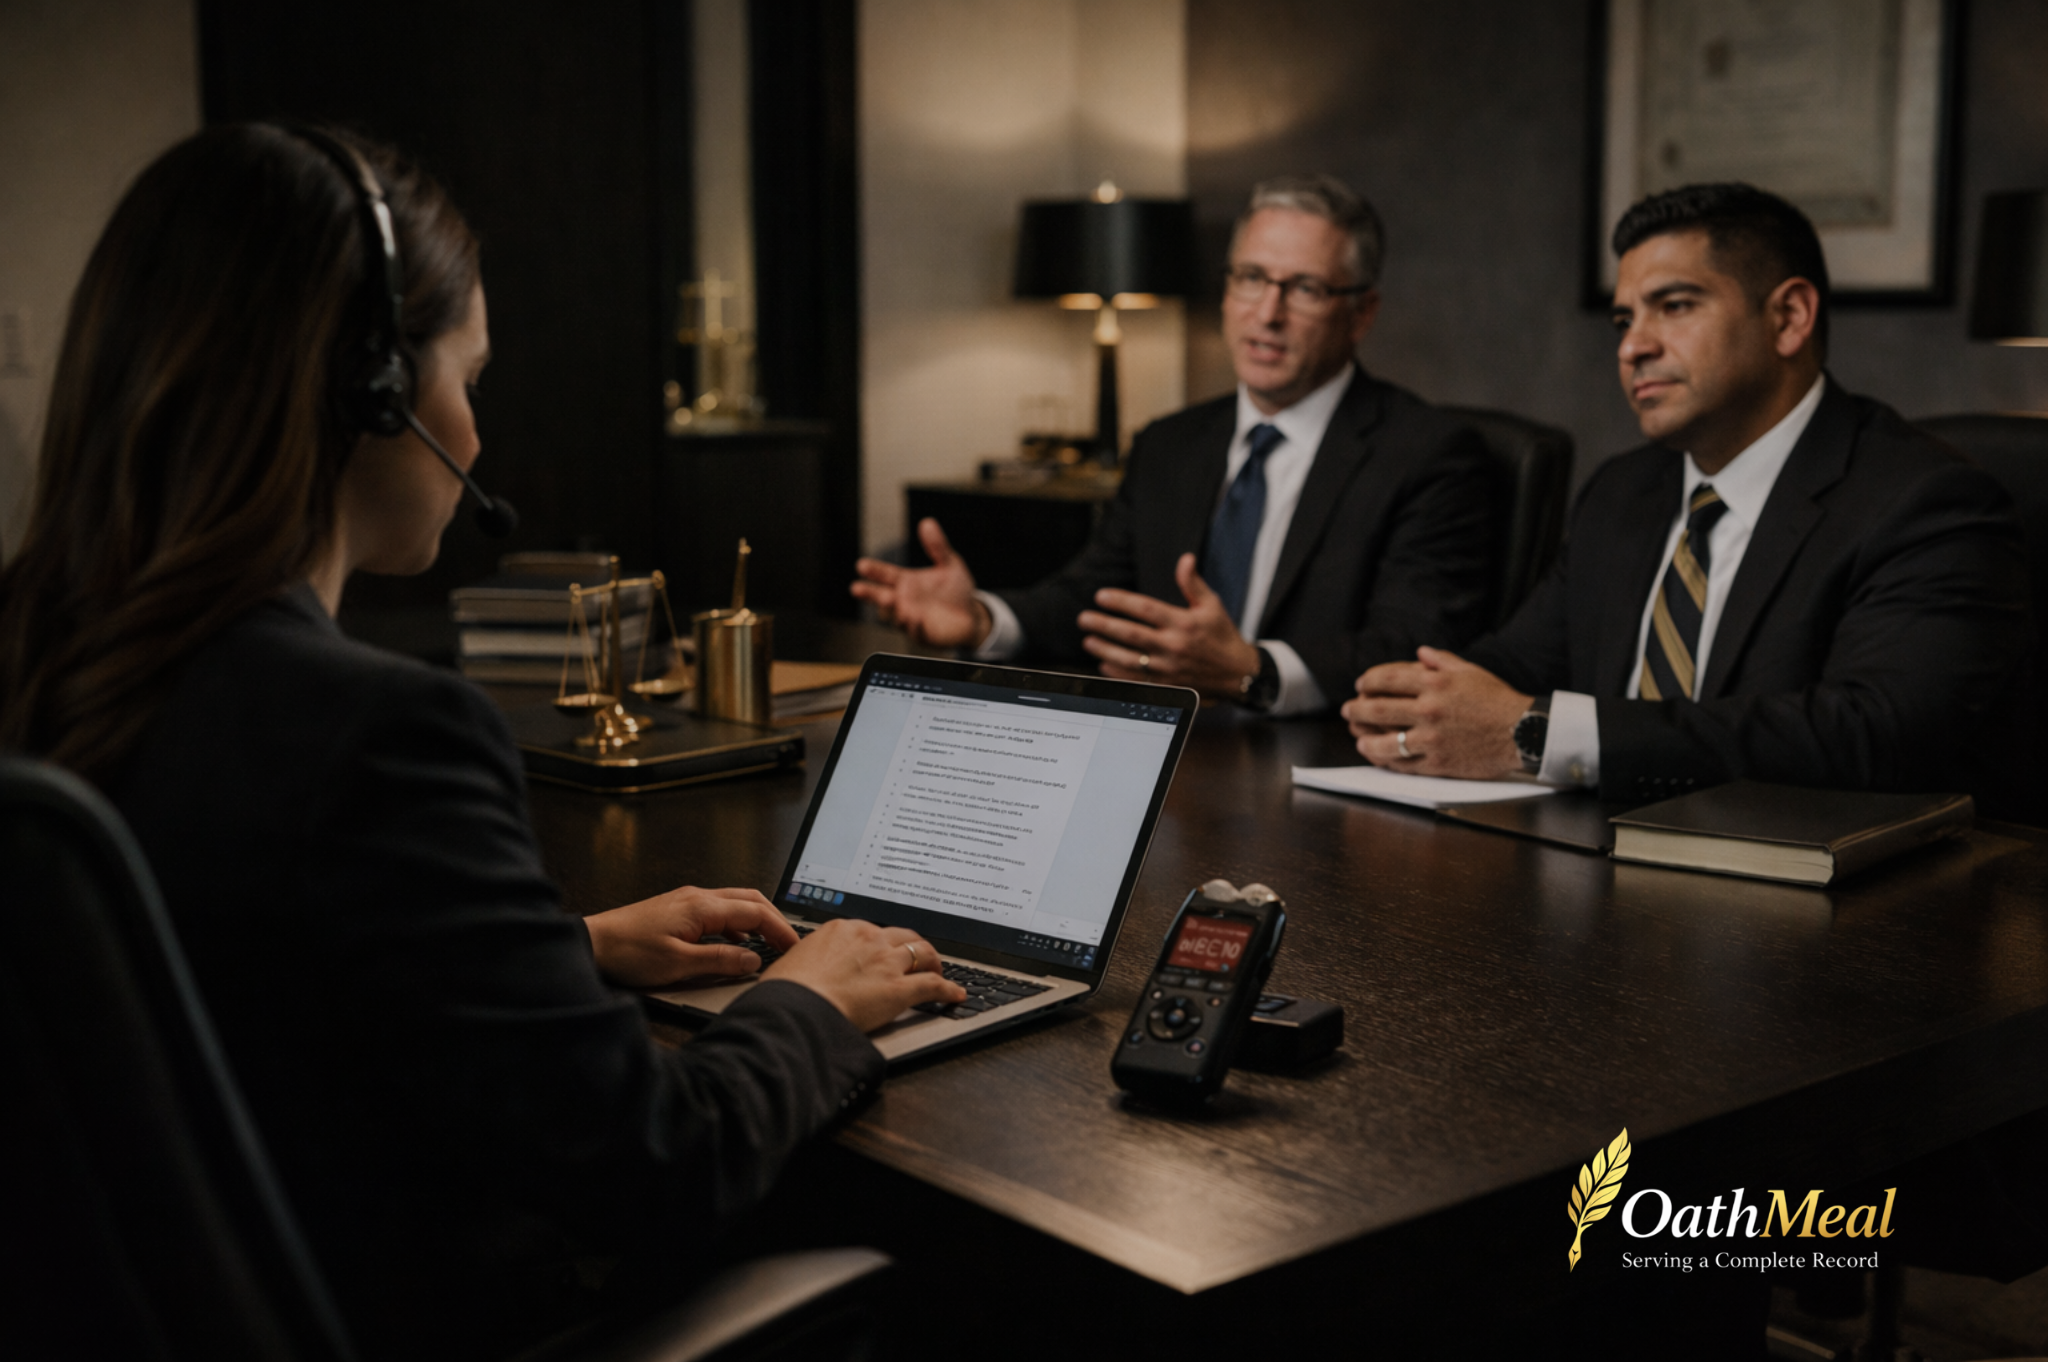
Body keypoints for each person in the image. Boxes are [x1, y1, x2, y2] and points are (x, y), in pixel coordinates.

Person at [0, 124, 964, 1362]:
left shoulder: (40, 658)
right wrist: (801, 1005)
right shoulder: (383, 736)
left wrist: (558, 953)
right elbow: (658, 1168)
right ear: (374, 394)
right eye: (469, 377)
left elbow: (205, 973)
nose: (477, 431)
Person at [1344, 182, 2033, 809]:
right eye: (1622, 321)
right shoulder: (1622, 490)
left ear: (1789, 318)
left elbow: (1871, 734)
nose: (1632, 347)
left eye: (1674, 306)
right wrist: (1415, 703)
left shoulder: (1927, 501)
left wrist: (1539, 733)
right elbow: (1514, 668)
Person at [852, 174, 1496, 716]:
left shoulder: (1429, 455)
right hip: (1175, 763)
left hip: (1320, 771)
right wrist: (985, 621)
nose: (1267, 313)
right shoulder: (1169, 444)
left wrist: (1251, 669)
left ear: (1362, 313)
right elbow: (1094, 598)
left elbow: (1414, 645)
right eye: (1250, 277)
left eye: (1304, 289)